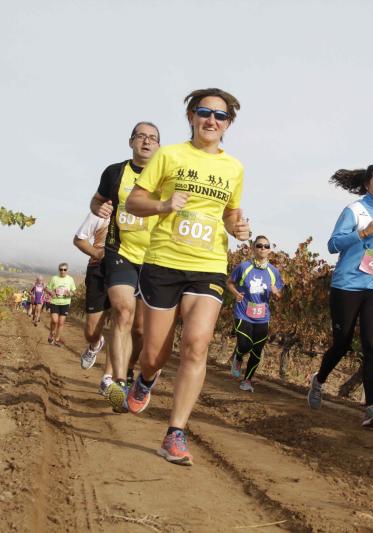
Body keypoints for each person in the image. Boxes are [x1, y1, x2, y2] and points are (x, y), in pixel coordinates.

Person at [123, 88, 250, 465]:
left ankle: (175, 432)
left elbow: (230, 214)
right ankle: (145, 379)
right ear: (192, 117)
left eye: (220, 115)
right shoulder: (169, 155)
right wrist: (163, 204)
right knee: (153, 355)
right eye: (204, 112)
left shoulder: (234, 168)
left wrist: (237, 227)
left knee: (197, 344)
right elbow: (133, 201)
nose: (212, 120)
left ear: (228, 124)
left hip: (208, 264)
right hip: (164, 261)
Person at [306, 163, 373, 428]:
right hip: (348, 284)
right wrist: (362, 233)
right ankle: (319, 380)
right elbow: (332, 245)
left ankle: (371, 408)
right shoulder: (354, 210)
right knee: (342, 343)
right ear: (367, 183)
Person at [90, 121, 161, 411]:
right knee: (122, 311)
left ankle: (128, 372)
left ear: (158, 146)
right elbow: (96, 202)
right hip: (120, 251)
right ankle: (118, 382)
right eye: (141, 136)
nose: (146, 142)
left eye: (153, 138)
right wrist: (99, 208)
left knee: (142, 331)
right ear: (131, 141)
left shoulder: (166, 175)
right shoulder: (114, 172)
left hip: (154, 257)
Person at [227, 235, 283, 392]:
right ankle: (238, 356)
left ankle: (247, 381)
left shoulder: (274, 272)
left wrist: (276, 292)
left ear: (269, 250)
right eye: (259, 246)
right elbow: (229, 283)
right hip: (243, 312)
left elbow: (279, 295)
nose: (263, 249)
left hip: (262, 317)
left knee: (257, 350)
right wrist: (236, 293)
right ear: (253, 248)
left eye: (266, 246)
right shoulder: (244, 267)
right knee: (245, 345)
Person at [72, 212, 111, 383]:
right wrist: (98, 254)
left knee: (122, 324)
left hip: (127, 270)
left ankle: (110, 377)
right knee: (91, 331)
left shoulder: (141, 210)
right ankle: (95, 344)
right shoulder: (103, 211)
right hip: (98, 269)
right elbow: (79, 239)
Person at [46, 263, 77, 346]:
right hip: (55, 302)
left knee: (61, 323)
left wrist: (69, 293)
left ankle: (57, 339)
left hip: (65, 303)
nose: (63, 271)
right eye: (61, 269)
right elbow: (47, 288)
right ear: (58, 270)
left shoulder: (70, 279)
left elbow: (74, 291)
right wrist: (51, 292)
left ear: (67, 270)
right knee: (54, 321)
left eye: (64, 269)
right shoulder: (54, 278)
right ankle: (51, 333)